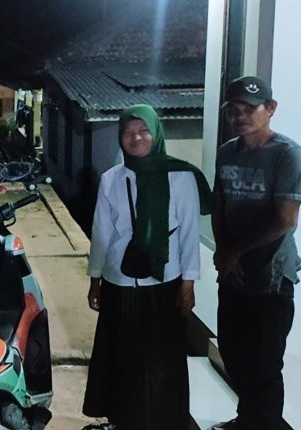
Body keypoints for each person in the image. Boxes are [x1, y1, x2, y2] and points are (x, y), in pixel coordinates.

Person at [82, 104, 212, 430]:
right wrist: (95, 279)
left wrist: (188, 284)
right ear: (120, 137)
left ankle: (162, 422)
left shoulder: (180, 176)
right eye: (128, 132)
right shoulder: (112, 178)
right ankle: (123, 420)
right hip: (119, 281)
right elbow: (101, 232)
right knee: (122, 356)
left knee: (160, 358)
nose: (136, 138)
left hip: (164, 281)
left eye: (143, 131)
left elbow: (189, 233)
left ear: (156, 133)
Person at [212, 76, 301, 430]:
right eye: (233, 110)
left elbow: (285, 219)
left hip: (271, 278)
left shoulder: (287, 154)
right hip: (234, 276)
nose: (240, 117)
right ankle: (247, 420)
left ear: (270, 109)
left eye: (249, 109)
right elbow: (219, 207)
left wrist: (235, 252)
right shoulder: (226, 152)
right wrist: (223, 252)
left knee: (264, 365)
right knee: (234, 356)